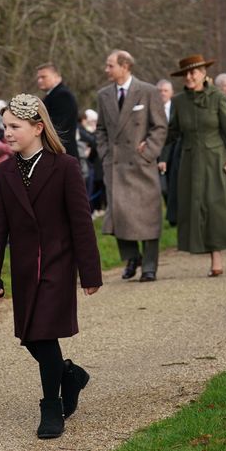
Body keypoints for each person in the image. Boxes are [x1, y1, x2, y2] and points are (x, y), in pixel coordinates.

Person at [0, 94, 102, 439]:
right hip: (23, 269)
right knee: (32, 337)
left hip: (57, 265)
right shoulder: (3, 173)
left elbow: (81, 223)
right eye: (5, 126)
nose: (7, 133)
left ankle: (51, 407)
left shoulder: (64, 167)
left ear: (37, 127)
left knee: (44, 333)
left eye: (15, 127)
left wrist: (89, 273)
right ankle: (70, 376)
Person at [159, 55, 226, 275]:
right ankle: (202, 247)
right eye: (185, 73)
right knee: (197, 208)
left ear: (204, 73)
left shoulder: (216, 97)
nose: (189, 77)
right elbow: (172, 133)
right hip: (189, 163)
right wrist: (154, 148)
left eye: (193, 72)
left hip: (217, 160)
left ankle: (217, 257)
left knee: (215, 207)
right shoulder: (178, 102)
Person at [95, 50, 168, 282]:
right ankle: (131, 257)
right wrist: (106, 153)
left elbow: (160, 126)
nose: (106, 70)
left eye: (110, 65)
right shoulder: (104, 95)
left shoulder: (148, 91)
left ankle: (149, 266)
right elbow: (101, 130)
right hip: (115, 166)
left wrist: (149, 152)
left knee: (148, 217)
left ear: (125, 66)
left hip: (141, 165)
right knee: (120, 215)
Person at [35, 62, 79, 158]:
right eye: (38, 78)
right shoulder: (52, 95)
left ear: (56, 77)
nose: (39, 80)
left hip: (61, 152)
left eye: (43, 77)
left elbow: (58, 126)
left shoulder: (62, 95)